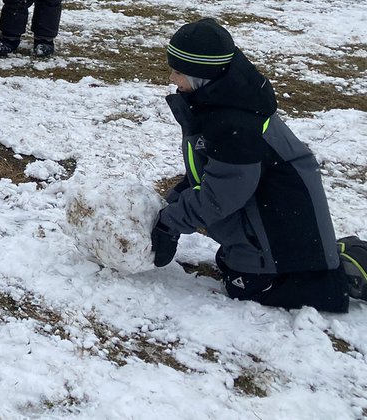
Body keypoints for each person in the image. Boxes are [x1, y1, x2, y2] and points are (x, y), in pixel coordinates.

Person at [150, 18, 367, 312]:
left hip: (279, 229)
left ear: (203, 74)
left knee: (246, 289)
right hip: (270, 223)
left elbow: (221, 195)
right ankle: (319, 259)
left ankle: (342, 272)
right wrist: (173, 204)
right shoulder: (219, 102)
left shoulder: (232, 122)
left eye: (178, 72)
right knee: (235, 270)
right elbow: (210, 174)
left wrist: (169, 223)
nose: (172, 79)